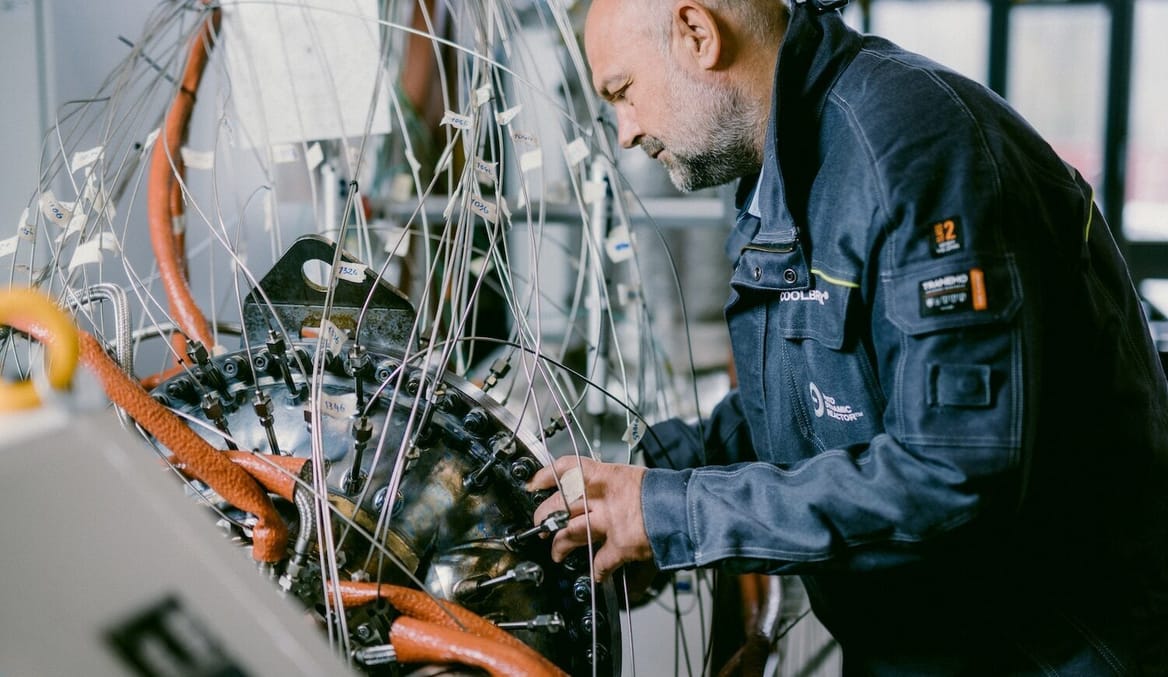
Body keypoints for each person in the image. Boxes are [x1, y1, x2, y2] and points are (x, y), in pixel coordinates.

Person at [531, 0, 1168, 673]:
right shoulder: (786, 166)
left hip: (1046, 650)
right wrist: (644, 479)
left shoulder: (917, 149)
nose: (625, 132)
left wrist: (673, 513)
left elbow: (952, 473)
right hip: (919, 641)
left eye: (623, 92)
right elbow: (803, 408)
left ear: (697, 33)